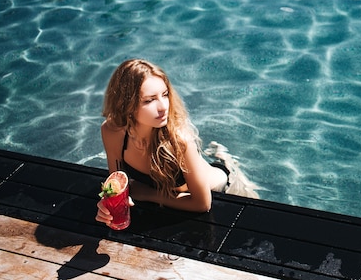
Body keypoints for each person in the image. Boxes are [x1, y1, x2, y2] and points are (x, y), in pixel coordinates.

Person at [95, 59, 258, 227]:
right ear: (126, 104)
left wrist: (149, 194)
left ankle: (226, 159)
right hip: (181, 195)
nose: (163, 106)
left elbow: (202, 204)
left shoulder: (179, 141)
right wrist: (107, 205)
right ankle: (220, 154)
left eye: (165, 95)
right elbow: (116, 186)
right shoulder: (112, 132)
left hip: (226, 187)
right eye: (149, 100)